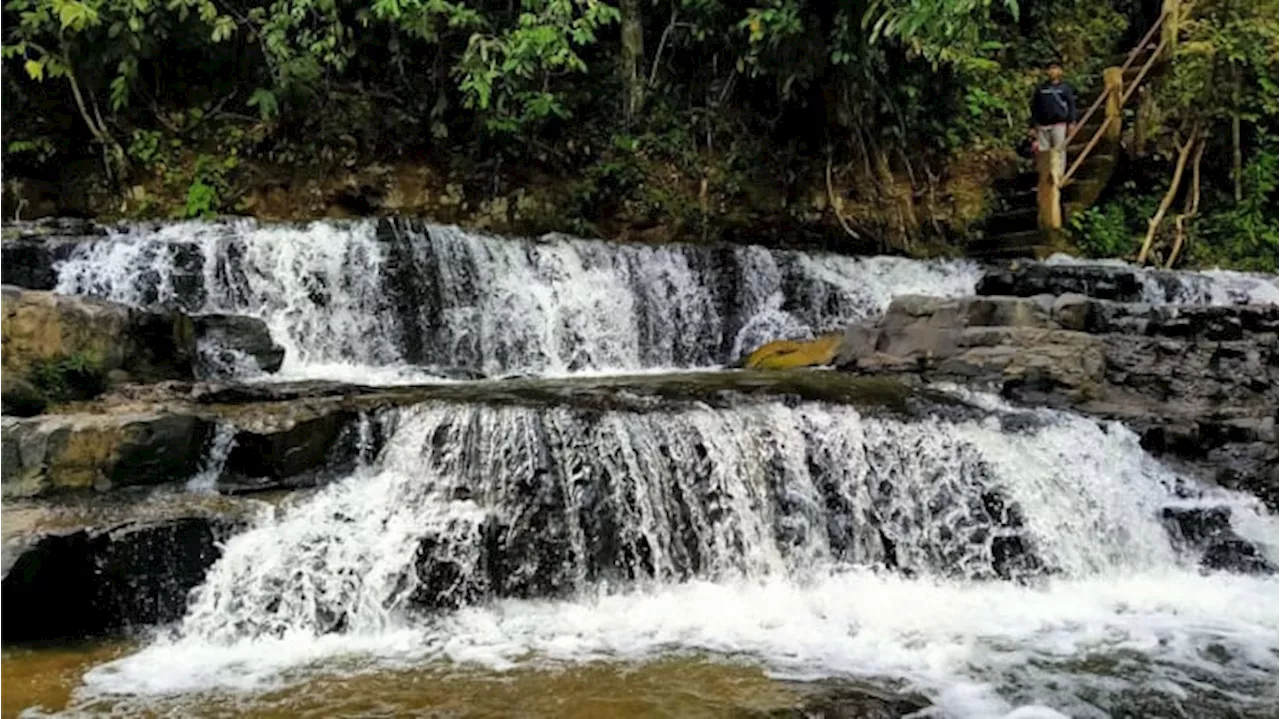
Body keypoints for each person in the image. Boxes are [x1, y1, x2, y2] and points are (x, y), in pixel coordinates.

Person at [1029, 61, 1078, 186]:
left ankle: (1059, 175)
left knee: (1059, 150)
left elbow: (1071, 105)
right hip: (1042, 125)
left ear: (1060, 71)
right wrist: (1033, 125)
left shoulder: (1065, 88)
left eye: (1055, 69)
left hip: (1059, 123)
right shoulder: (1041, 89)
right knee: (1044, 152)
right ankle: (1045, 176)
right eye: (1050, 69)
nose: (1052, 72)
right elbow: (1035, 108)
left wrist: (1072, 122)